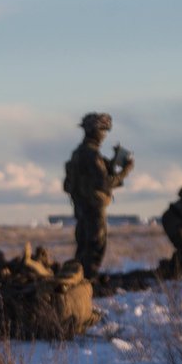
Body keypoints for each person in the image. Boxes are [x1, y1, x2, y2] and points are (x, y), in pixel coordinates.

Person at [62, 112, 134, 277]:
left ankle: (79, 280)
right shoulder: (92, 156)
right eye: (103, 130)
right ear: (97, 131)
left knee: (83, 247)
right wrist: (125, 171)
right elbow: (105, 183)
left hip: (81, 207)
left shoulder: (78, 153)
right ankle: (88, 283)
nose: (104, 135)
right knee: (95, 247)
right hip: (93, 208)